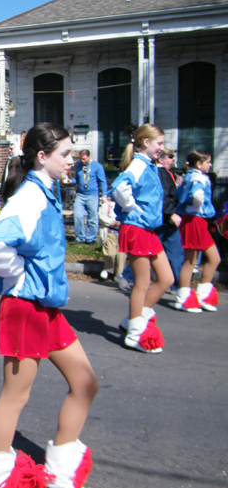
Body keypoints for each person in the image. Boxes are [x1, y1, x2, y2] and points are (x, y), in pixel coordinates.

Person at [0, 123, 100, 488]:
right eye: (65, 153)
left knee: (85, 383)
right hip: (24, 308)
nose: (71, 160)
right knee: (15, 396)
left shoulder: (44, 193)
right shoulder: (29, 197)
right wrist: (20, 274)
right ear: (42, 157)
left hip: (44, 308)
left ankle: (62, 473)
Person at [109, 124, 173, 353]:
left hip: (148, 229)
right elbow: (119, 188)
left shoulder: (148, 164)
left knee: (166, 278)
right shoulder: (138, 164)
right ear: (146, 142)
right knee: (143, 283)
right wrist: (133, 209)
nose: (162, 149)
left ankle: (133, 320)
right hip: (137, 228)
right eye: (159, 144)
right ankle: (135, 334)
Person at [174, 150, 221, 313]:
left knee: (214, 258)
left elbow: (179, 193)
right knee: (190, 261)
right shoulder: (198, 177)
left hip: (196, 220)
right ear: (199, 164)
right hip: (194, 219)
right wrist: (199, 202)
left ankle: (201, 296)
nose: (210, 165)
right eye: (208, 162)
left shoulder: (189, 176)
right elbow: (197, 195)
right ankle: (184, 299)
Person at [155, 149, 184, 291]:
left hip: (168, 220)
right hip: (164, 219)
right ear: (161, 159)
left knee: (174, 252)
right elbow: (164, 196)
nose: (173, 159)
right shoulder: (161, 174)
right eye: (170, 157)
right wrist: (171, 213)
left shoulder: (168, 174)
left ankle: (177, 285)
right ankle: (127, 275)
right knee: (154, 250)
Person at [71, 150, 107, 244]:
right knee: (78, 216)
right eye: (81, 159)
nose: (82, 161)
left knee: (93, 217)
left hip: (93, 195)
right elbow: (77, 179)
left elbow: (102, 181)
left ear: (89, 156)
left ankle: (91, 238)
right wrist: (71, 182)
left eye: (84, 159)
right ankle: (80, 237)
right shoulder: (79, 166)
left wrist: (104, 194)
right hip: (80, 195)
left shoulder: (97, 166)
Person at [97, 196, 127, 285]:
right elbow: (102, 216)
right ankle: (108, 269)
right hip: (111, 232)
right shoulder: (108, 204)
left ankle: (119, 273)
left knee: (121, 255)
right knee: (110, 253)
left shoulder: (126, 205)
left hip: (123, 233)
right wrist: (112, 222)